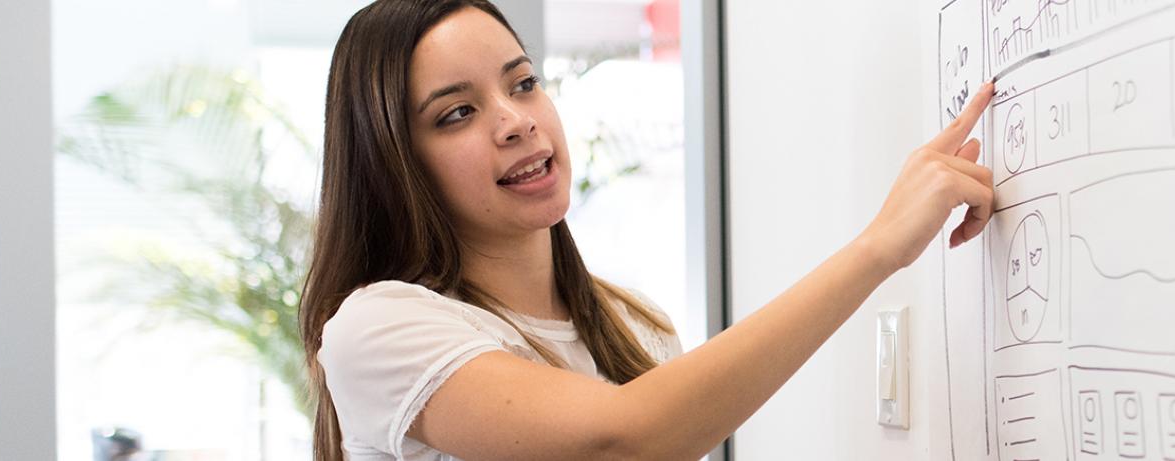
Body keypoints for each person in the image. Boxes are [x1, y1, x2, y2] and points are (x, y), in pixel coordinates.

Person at [297, 1, 995, 459]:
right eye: (456, 113)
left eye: (522, 83)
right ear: (395, 164)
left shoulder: (635, 324)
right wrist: (877, 248)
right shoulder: (374, 327)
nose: (515, 120)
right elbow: (620, 437)